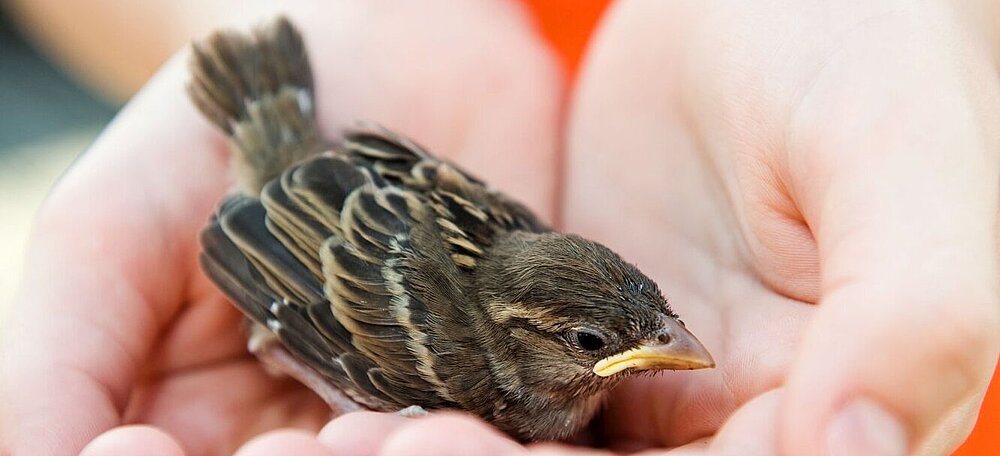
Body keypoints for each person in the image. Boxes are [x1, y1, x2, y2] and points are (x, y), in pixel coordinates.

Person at [2, 1, 998, 455]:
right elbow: (301, 284)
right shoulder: (456, 365)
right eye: (595, 342)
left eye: (647, 321)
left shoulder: (522, 266)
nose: (668, 344)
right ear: (527, 343)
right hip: (304, 215)